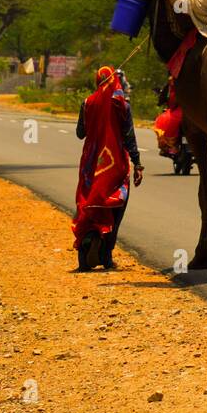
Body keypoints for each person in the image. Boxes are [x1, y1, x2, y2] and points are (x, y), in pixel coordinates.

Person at [72, 66, 143, 271]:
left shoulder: (87, 103)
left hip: (90, 164)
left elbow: (80, 133)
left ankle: (84, 256)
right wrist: (137, 164)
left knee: (88, 203)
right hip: (114, 164)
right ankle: (106, 256)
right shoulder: (122, 105)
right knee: (114, 206)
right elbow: (129, 137)